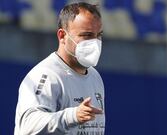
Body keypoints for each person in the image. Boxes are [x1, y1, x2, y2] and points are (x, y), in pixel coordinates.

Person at [14, 2, 105, 135]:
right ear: (62, 36)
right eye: (87, 35)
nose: (95, 43)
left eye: (98, 35)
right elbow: (28, 126)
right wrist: (72, 116)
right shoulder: (46, 75)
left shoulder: (95, 77)